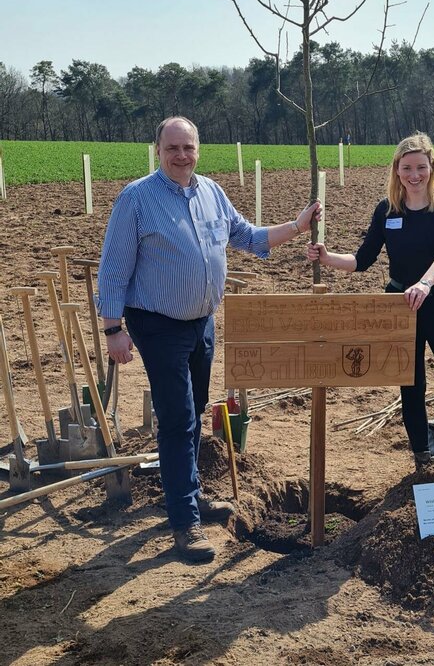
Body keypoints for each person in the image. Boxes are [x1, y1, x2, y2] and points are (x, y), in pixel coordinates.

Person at [97, 116, 321, 562]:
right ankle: (185, 525)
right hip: (156, 323)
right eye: (172, 148)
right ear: (157, 151)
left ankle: (190, 494)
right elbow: (114, 269)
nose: (181, 156)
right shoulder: (136, 199)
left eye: (189, 148)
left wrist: (296, 226)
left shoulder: (212, 193)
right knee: (178, 418)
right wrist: (113, 329)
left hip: (202, 322)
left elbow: (248, 237)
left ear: (198, 150)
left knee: (195, 410)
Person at [307, 132, 434, 489]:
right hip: (399, 308)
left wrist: (425, 284)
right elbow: (363, 259)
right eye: (407, 168)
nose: (414, 175)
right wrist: (326, 256)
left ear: (431, 168)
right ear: (397, 170)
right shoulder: (387, 210)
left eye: (421, 168)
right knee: (410, 387)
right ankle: (422, 460)